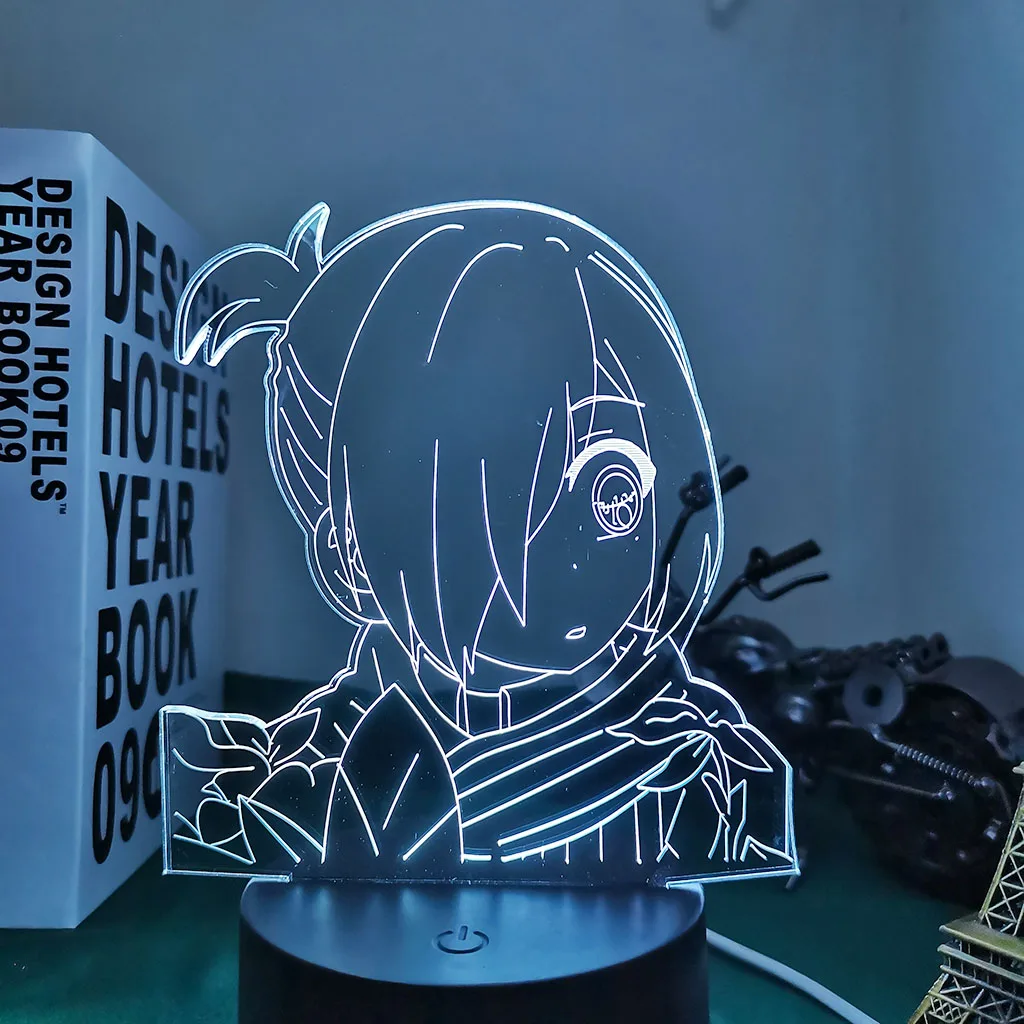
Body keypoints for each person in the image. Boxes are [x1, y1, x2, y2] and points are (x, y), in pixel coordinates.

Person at [165, 201, 795, 883]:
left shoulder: (694, 752)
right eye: (506, 506)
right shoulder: (339, 764)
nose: (582, 548)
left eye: (613, 485)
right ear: (350, 552)